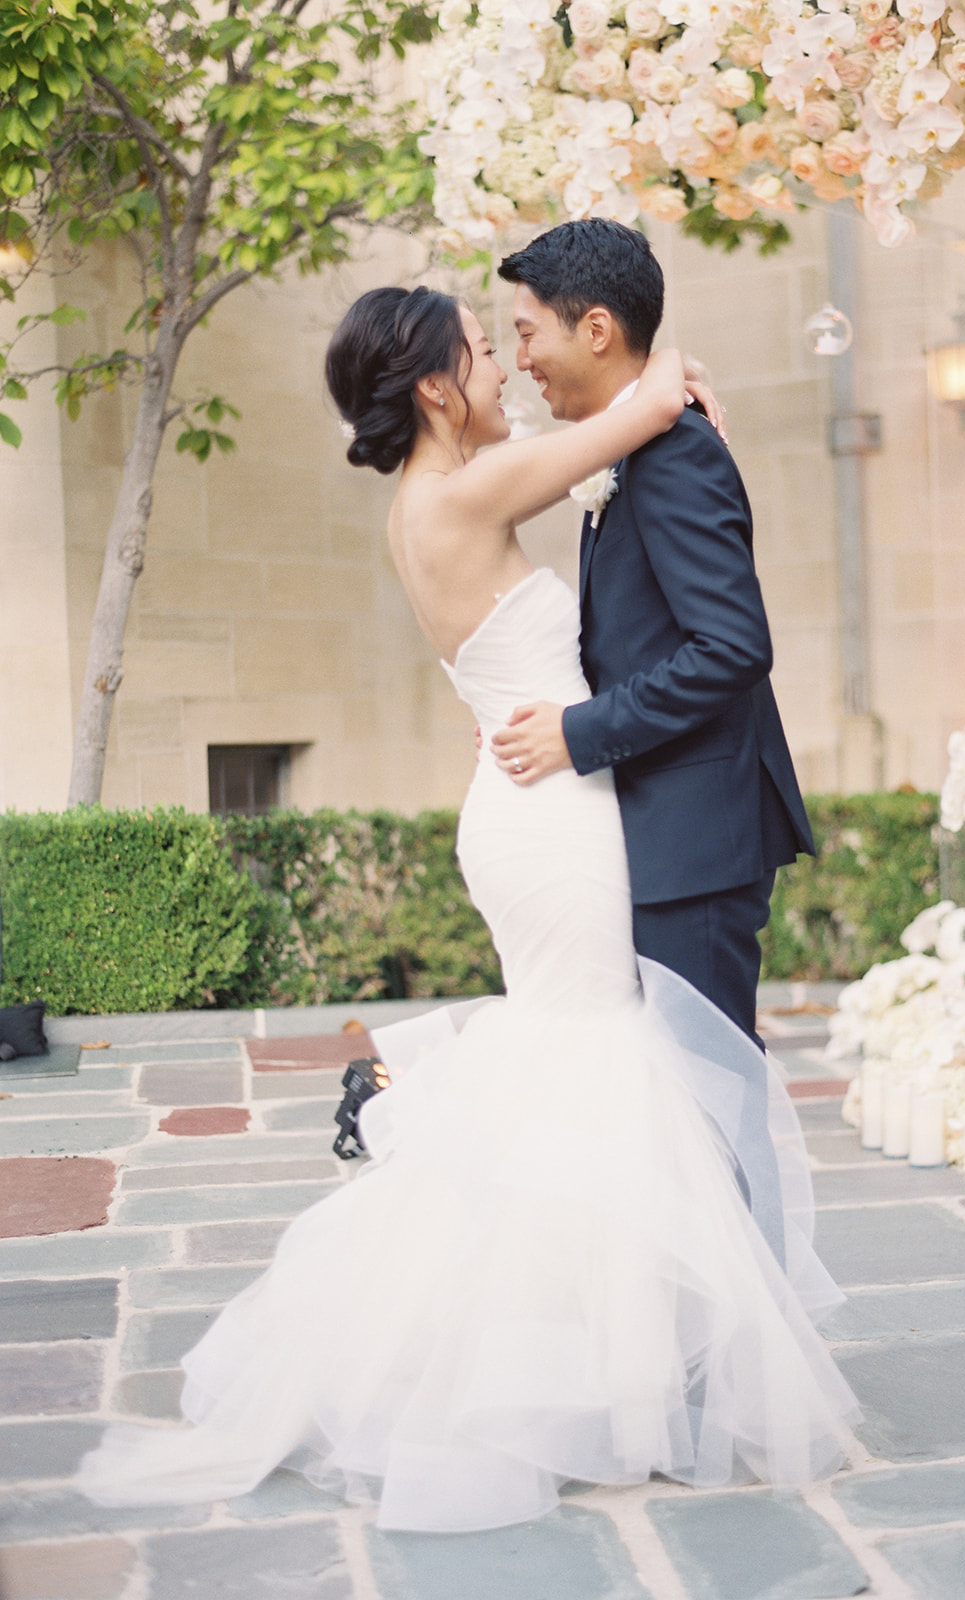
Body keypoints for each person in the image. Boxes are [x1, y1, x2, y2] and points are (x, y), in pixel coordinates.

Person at [77, 284, 857, 1534]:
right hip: (548, 817)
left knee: (585, 1063)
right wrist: (665, 387)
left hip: (533, 807)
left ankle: (606, 1362)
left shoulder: (432, 500)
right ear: (436, 389)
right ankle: (575, 1375)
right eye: (488, 351)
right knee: (600, 1060)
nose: (505, 367)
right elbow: (619, 422)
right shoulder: (453, 492)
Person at [493, 219, 814, 1261]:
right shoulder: (635, 437)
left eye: (526, 331)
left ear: (595, 328)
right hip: (662, 831)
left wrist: (580, 733)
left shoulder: (671, 454)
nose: (518, 360)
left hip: (699, 839)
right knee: (673, 1102)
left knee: (709, 1097)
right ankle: (707, 1329)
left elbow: (733, 646)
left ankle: (754, 1351)